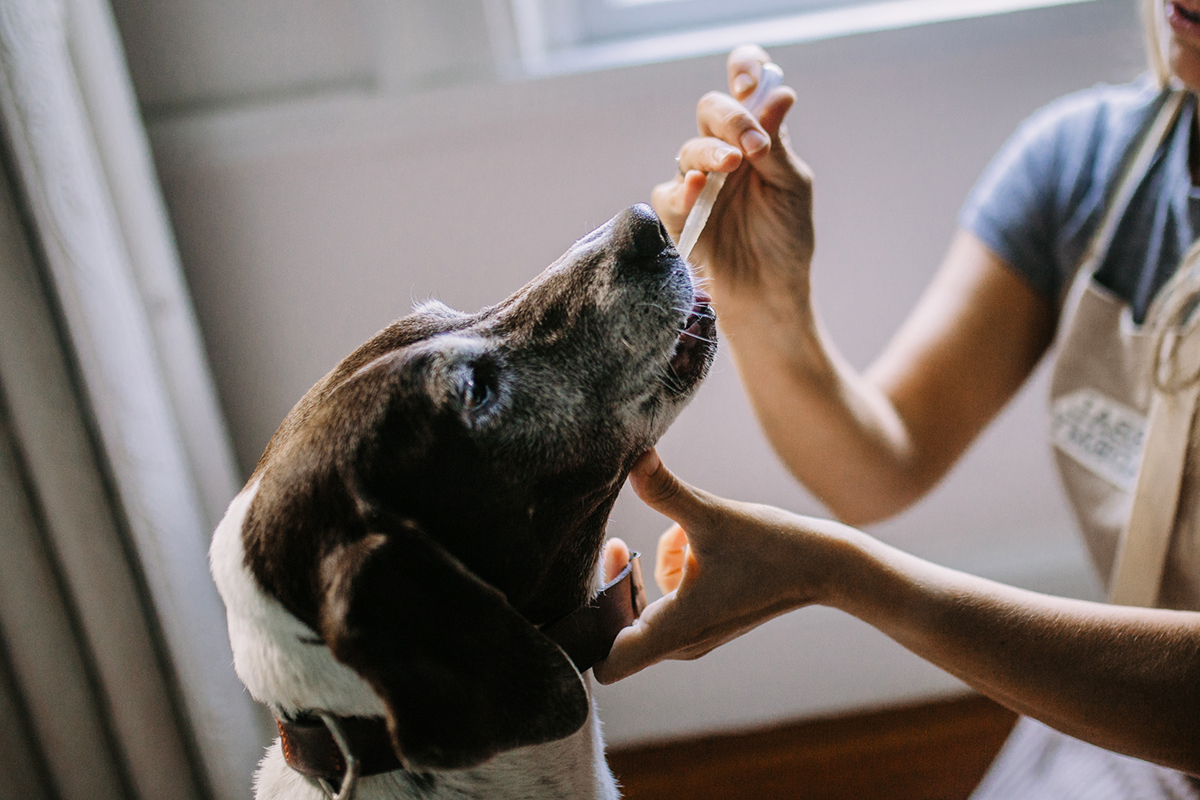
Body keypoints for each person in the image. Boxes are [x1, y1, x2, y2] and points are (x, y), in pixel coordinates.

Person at [593, 0, 1200, 795]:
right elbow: (879, 463)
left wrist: (842, 576)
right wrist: (764, 302)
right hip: (1122, 724)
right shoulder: (1087, 166)